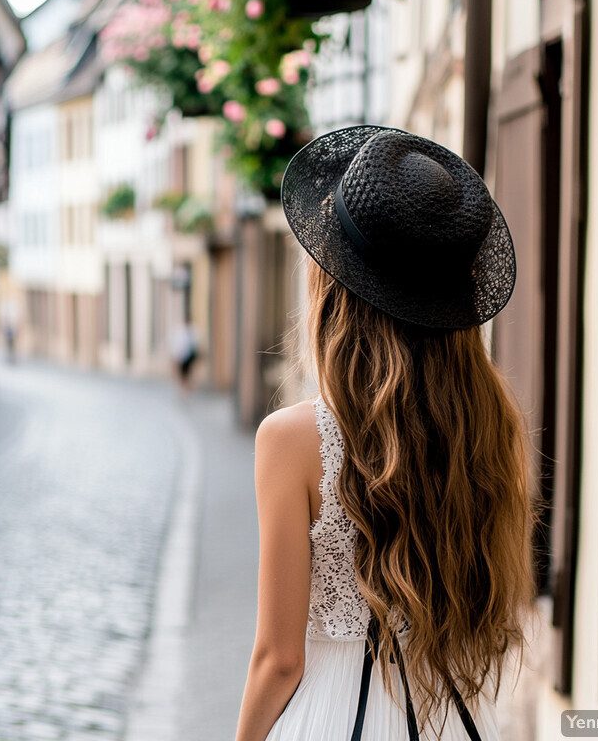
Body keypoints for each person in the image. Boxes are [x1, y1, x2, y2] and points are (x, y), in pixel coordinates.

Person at [234, 127, 536, 741]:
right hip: (453, 718)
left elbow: (280, 657)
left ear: (334, 285)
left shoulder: (292, 441)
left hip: (332, 719)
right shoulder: (492, 425)